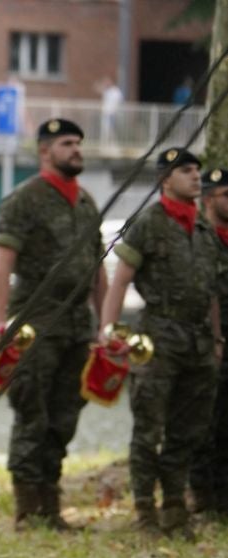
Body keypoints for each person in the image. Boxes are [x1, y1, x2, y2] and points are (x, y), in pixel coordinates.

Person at [99, 147, 223, 538]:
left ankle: (175, 506)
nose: (195, 176)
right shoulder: (149, 222)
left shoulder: (203, 230)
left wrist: (217, 338)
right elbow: (120, 279)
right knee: (149, 430)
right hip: (158, 338)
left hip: (199, 341)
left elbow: (213, 292)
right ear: (165, 179)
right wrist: (109, 329)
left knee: (188, 430)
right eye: (185, 170)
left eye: (197, 171)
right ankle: (145, 511)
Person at [0, 118, 105, 529]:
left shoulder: (88, 203)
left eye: (78, 142)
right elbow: (3, 264)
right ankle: (27, 509)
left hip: (78, 326)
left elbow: (99, 270)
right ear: (45, 151)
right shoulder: (24, 199)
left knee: (65, 415)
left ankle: (51, 507)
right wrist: (1, 322)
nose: (77, 149)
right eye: (67, 143)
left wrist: (102, 326)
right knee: (31, 413)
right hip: (35, 323)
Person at [190, 167, 228, 519]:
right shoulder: (199, 236)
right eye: (225, 195)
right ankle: (203, 498)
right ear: (208, 199)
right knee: (204, 421)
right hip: (200, 341)